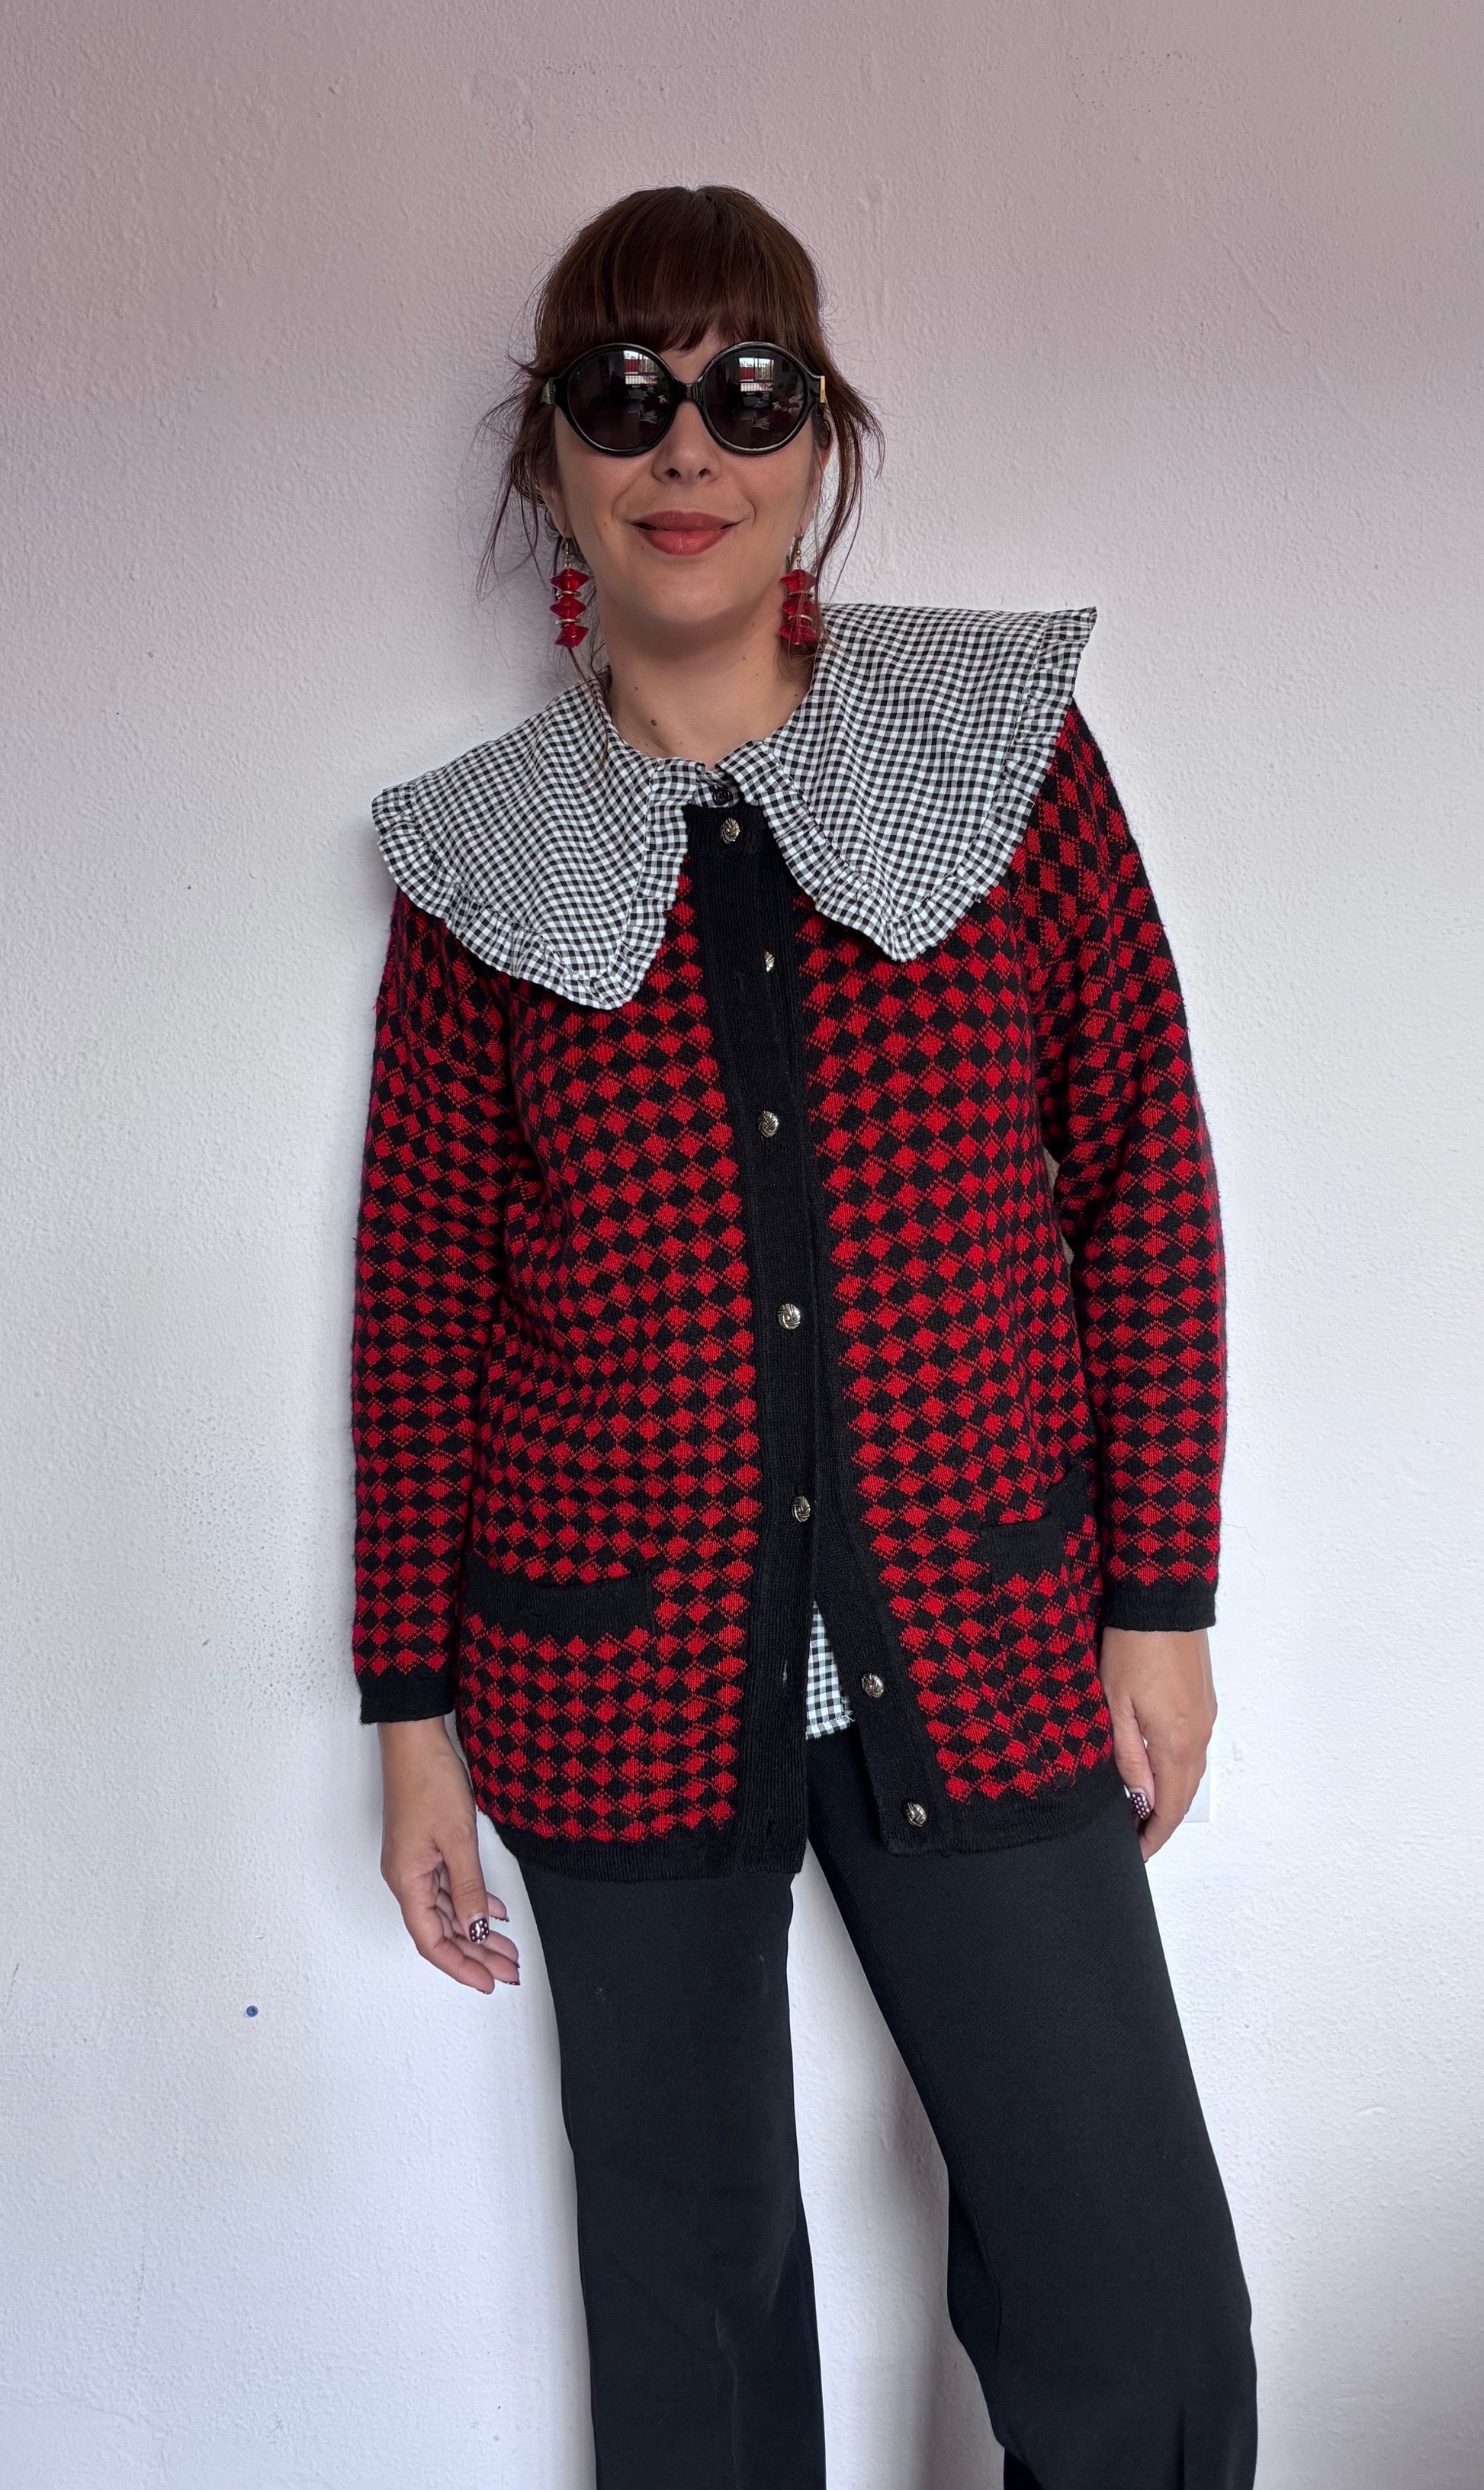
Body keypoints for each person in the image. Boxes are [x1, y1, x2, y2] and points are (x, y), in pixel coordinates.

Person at [350, 183, 1258, 2490]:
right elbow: (419, 1311)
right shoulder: (480, 864)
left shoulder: (1001, 754)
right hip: (608, 1665)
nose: (687, 445)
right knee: (695, 2297)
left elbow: (1142, 1181)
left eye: (747, 391)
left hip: (987, 1620)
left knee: (1130, 2283)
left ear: (818, 436)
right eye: (621, 392)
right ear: (549, 454)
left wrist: (1159, 1600)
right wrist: (409, 1718)